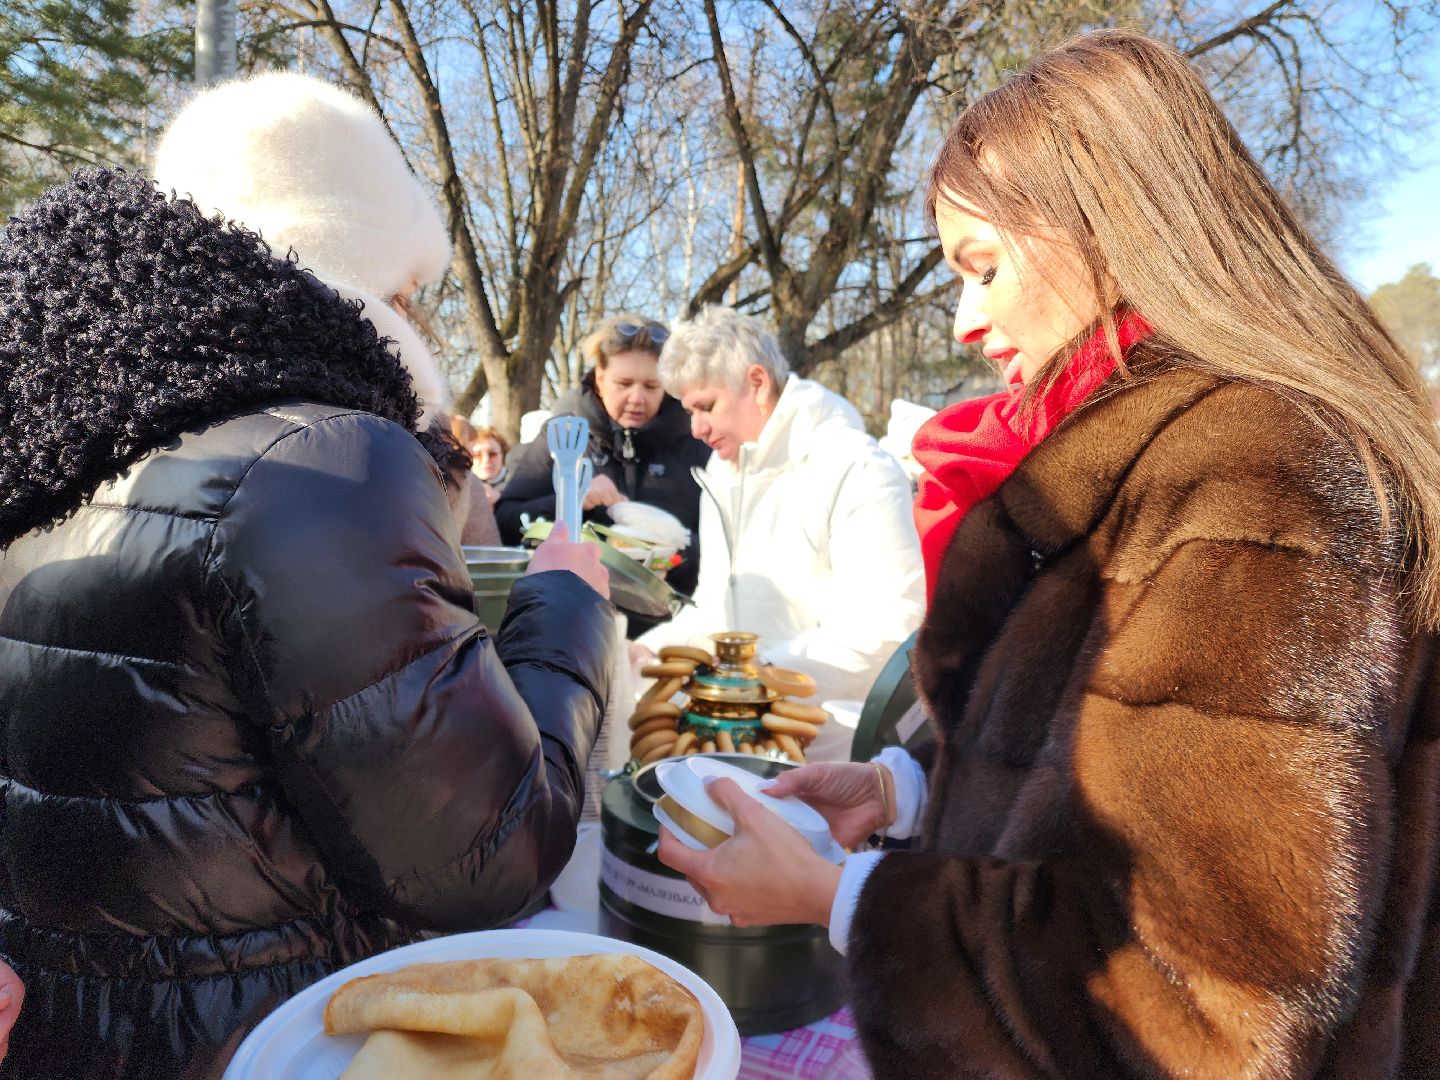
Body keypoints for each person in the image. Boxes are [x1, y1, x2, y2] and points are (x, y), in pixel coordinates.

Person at [658, 29, 1440, 1079]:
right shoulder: (1176, 450)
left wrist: (841, 899)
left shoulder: (1260, 483)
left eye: (983, 268)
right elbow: (1102, 740)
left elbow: (1199, 997)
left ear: (1112, 228)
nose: (966, 319)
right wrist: (906, 788)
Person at [0, 102, 612, 1080]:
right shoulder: (320, 458)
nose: (416, 325)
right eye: (408, 291)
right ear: (349, 262)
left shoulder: (64, 442)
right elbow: (487, 855)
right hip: (274, 1043)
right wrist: (567, 602)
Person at [636, 305, 924, 757]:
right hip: (735, 736)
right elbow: (716, 610)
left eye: (706, 406)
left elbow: (885, 627)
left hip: (826, 748)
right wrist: (652, 653)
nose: (696, 428)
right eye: (689, 410)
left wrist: (749, 676)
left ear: (757, 382)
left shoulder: (854, 468)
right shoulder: (722, 473)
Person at [496, 314, 711, 601]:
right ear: (599, 378)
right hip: (576, 614)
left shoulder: (695, 443)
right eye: (623, 383)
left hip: (670, 621)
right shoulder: (562, 436)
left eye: (651, 386)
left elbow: (724, 539)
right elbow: (506, 523)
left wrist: (675, 556)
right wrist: (572, 499)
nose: (637, 398)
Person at [470, 423, 511, 504]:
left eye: (492, 454)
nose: (486, 460)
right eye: (478, 455)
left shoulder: (517, 482)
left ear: (503, 455)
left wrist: (500, 498)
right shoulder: (459, 488)